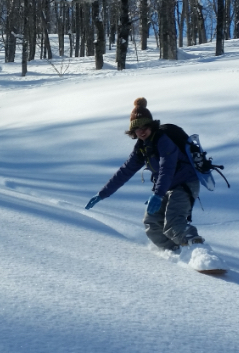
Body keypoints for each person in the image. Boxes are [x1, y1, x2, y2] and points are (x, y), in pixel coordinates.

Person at [85, 97, 204, 251]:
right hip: (166, 188)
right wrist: (102, 194)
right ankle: (177, 252)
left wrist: (158, 194)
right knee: (152, 224)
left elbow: (166, 167)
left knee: (174, 223)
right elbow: (125, 171)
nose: (141, 131)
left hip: (185, 184)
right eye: (137, 128)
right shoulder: (142, 147)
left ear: (152, 125)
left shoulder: (163, 140)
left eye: (145, 126)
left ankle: (199, 251)